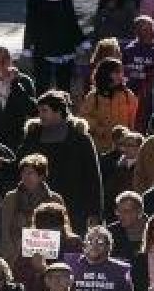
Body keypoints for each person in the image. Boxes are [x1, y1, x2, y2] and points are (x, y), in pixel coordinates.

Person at [17, 90, 103, 231]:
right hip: (38, 205)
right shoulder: (33, 136)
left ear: (58, 112)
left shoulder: (80, 138)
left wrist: (94, 212)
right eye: (39, 111)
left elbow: (93, 177)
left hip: (74, 207)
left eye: (45, 111)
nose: (40, 115)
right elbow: (19, 164)